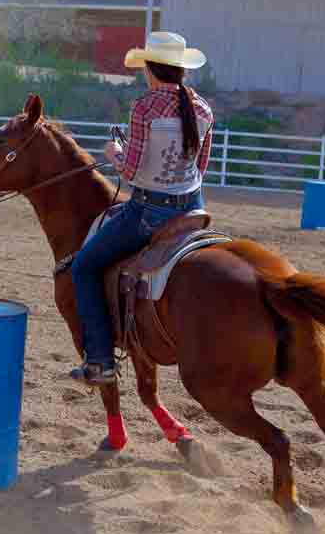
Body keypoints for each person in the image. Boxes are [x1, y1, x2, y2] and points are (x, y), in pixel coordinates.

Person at [69, 32, 215, 386]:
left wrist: (113, 154)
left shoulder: (145, 108)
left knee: (84, 267)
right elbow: (202, 165)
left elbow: (131, 172)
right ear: (181, 70)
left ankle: (101, 360)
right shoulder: (203, 109)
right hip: (193, 209)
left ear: (150, 70)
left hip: (151, 212)